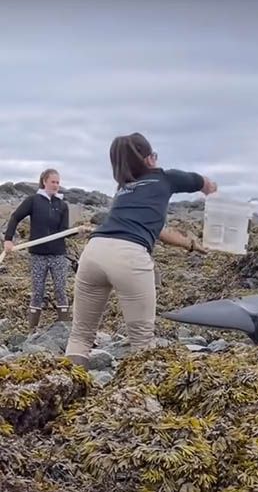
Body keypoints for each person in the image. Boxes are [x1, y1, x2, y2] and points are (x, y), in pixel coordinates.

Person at [64, 133, 216, 366]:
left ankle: (64, 389)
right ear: (148, 159)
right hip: (130, 257)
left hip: (93, 253)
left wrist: (191, 244)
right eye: (154, 155)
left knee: (81, 335)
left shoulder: (123, 188)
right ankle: (137, 398)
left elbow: (159, 230)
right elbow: (205, 183)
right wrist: (214, 195)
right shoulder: (165, 178)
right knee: (142, 341)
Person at [3, 168, 83, 329]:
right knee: (37, 291)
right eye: (53, 182)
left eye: (58, 182)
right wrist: (8, 240)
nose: (56, 185)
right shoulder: (33, 200)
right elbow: (15, 217)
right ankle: (32, 330)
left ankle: (64, 327)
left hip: (58, 255)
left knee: (61, 290)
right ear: (44, 181)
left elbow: (63, 231)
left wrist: (76, 232)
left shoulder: (62, 205)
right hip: (38, 254)